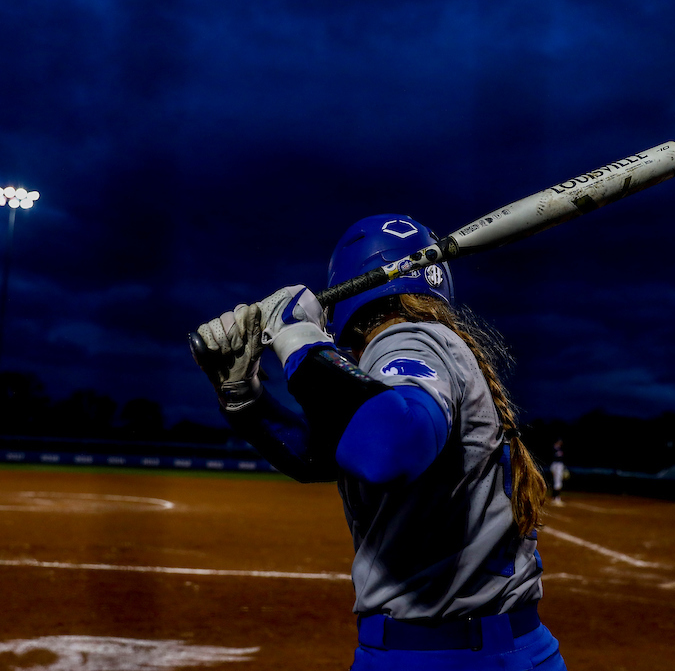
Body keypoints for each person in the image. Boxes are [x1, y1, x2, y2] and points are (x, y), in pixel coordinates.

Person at [194, 214, 565, 670]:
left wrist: (299, 338)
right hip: (489, 648)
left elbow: (389, 450)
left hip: (446, 656)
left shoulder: (406, 339)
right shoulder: (405, 361)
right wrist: (245, 397)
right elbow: (322, 455)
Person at [549, 439, 568, 506]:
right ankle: (556, 498)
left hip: (559, 466)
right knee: (557, 482)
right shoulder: (554, 449)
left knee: (557, 482)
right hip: (556, 466)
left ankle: (555, 498)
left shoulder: (559, 449)